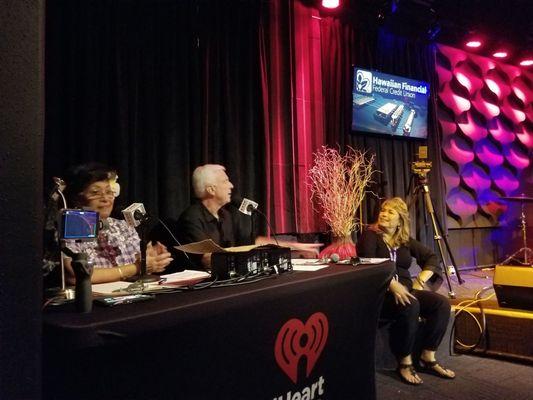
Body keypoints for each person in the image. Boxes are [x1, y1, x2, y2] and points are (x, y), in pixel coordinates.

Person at [357, 197, 455, 385]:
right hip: (380, 293)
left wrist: (419, 280)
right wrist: (391, 284)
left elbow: (431, 257)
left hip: (406, 290)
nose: (384, 214)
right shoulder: (370, 236)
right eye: (383, 210)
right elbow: (367, 264)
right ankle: (404, 361)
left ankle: (428, 356)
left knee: (441, 304)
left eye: (390, 212)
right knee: (411, 304)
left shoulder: (404, 241)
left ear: (400, 220)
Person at [177, 164, 321, 269]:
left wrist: (294, 247)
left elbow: (252, 242)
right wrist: (245, 251)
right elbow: (209, 259)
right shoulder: (191, 218)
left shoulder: (226, 215)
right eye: (225, 181)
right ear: (211, 189)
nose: (231, 186)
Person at [62, 163, 173, 284]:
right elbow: (75, 275)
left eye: (110, 192)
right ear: (77, 198)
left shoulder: (123, 226)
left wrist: (149, 259)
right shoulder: (71, 224)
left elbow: (140, 267)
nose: (105, 198)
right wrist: (136, 268)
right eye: (95, 193)